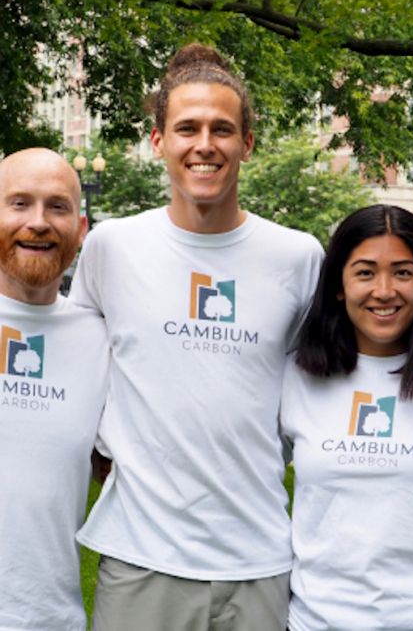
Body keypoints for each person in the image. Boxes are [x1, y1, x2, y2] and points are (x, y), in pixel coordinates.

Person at [70, 44, 323, 630]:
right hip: (141, 558)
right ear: (158, 141)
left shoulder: (297, 257)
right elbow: (74, 359)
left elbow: (326, 385)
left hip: (259, 558)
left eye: (222, 129)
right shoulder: (112, 247)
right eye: (187, 128)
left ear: (248, 144)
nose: (204, 144)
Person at [280, 204, 413, 630]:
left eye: (403, 272)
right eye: (365, 273)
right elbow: (249, 478)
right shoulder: (295, 377)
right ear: (338, 286)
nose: (384, 291)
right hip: (316, 620)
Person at [0, 148, 108, 630]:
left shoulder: (104, 341)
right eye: (19, 203)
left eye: (57, 206)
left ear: (81, 230)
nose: (38, 222)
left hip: (49, 618)